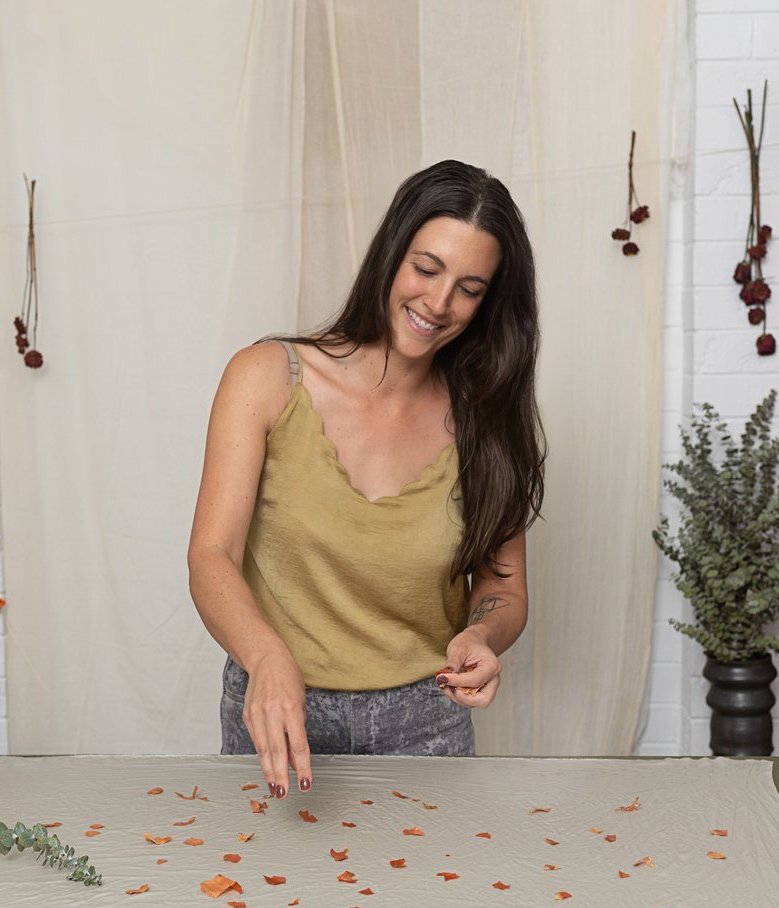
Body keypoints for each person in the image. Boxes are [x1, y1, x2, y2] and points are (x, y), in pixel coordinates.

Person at [188, 160, 545, 800]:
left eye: (469, 287)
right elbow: (211, 556)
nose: (438, 303)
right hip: (277, 710)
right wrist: (268, 659)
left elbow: (502, 584)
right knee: (262, 899)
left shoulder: (487, 419)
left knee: (429, 902)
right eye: (426, 269)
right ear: (390, 255)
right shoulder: (266, 378)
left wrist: (482, 634)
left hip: (427, 723)